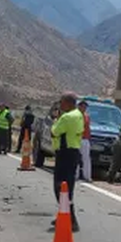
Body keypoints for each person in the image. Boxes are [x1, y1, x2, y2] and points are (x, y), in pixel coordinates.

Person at [50, 92, 84, 232]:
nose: (60, 105)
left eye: (62, 102)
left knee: (61, 187)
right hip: (73, 152)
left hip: (65, 153)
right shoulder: (78, 114)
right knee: (67, 187)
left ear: (69, 103)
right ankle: (64, 215)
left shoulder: (66, 117)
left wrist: (56, 120)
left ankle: (71, 219)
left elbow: (54, 132)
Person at [77, 100, 93, 181]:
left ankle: (87, 176)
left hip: (85, 139)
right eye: (82, 106)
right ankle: (75, 175)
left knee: (86, 158)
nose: (84, 108)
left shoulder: (87, 116)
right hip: (77, 138)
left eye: (85, 107)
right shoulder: (76, 116)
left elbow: (88, 128)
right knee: (76, 158)